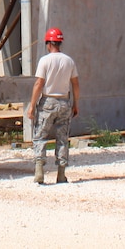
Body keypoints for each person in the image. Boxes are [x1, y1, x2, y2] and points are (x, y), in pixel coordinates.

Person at [27, 27, 79, 184]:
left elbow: (39, 83)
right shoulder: (69, 61)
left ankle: (39, 171)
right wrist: (76, 104)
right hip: (64, 101)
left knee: (40, 136)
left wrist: (32, 105)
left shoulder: (44, 61)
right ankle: (61, 174)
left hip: (48, 102)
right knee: (62, 138)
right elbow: (75, 84)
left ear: (48, 44)